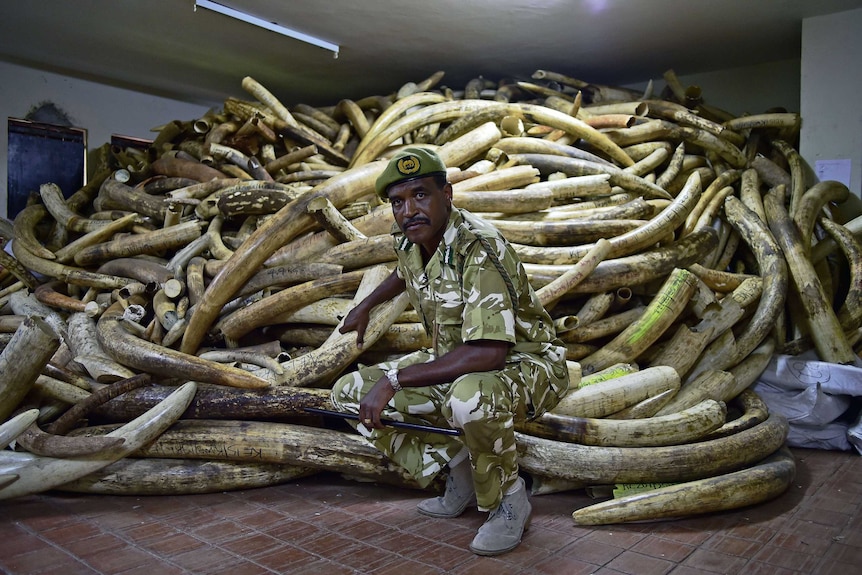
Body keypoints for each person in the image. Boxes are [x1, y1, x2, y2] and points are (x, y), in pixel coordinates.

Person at [330, 146, 569, 556]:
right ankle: (460, 472)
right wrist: (366, 305)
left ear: (448, 194)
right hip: (461, 360)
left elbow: (490, 354)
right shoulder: (413, 237)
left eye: (421, 194)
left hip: (525, 363)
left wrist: (394, 379)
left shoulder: (479, 249)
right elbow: (407, 271)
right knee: (348, 392)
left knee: (469, 398)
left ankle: (508, 501)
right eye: (398, 202)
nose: (409, 211)